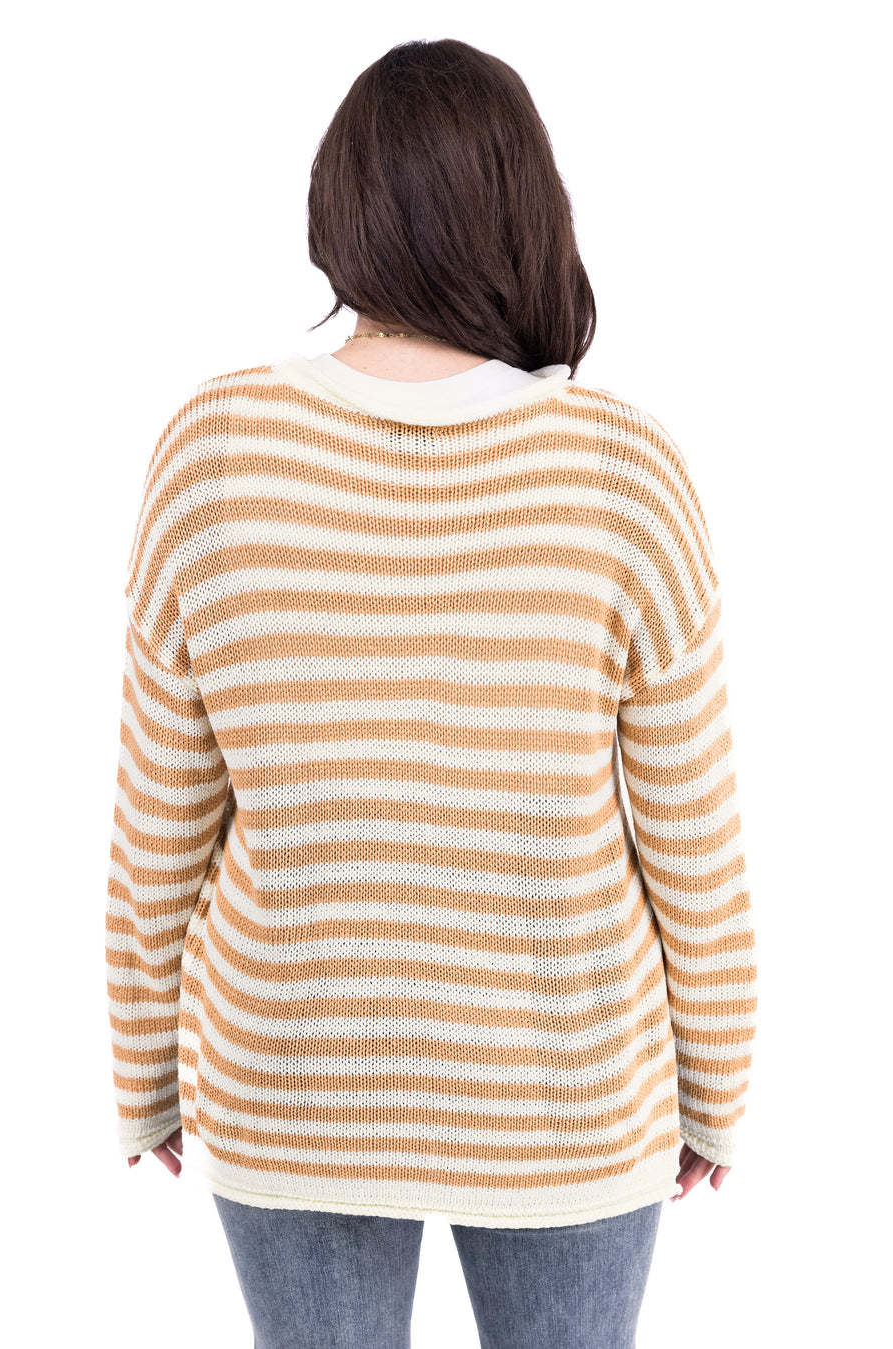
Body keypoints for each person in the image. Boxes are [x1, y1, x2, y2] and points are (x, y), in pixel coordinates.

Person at [105, 36, 758, 1349]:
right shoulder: (623, 471)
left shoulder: (213, 450)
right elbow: (692, 836)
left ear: (335, 211)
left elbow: (159, 822)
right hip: (571, 1098)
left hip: (291, 1085)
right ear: (529, 212)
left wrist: (142, 1073)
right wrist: (718, 1084)